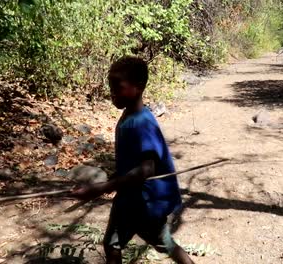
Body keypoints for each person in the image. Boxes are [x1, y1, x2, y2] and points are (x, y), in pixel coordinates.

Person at [72, 56, 195, 264]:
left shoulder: (142, 124)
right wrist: (111, 179)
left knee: (158, 242)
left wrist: (102, 188)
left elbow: (146, 169)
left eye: (117, 86)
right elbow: (131, 163)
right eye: (110, 85)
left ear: (138, 87)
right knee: (116, 244)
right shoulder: (130, 116)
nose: (111, 92)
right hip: (131, 198)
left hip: (143, 202)